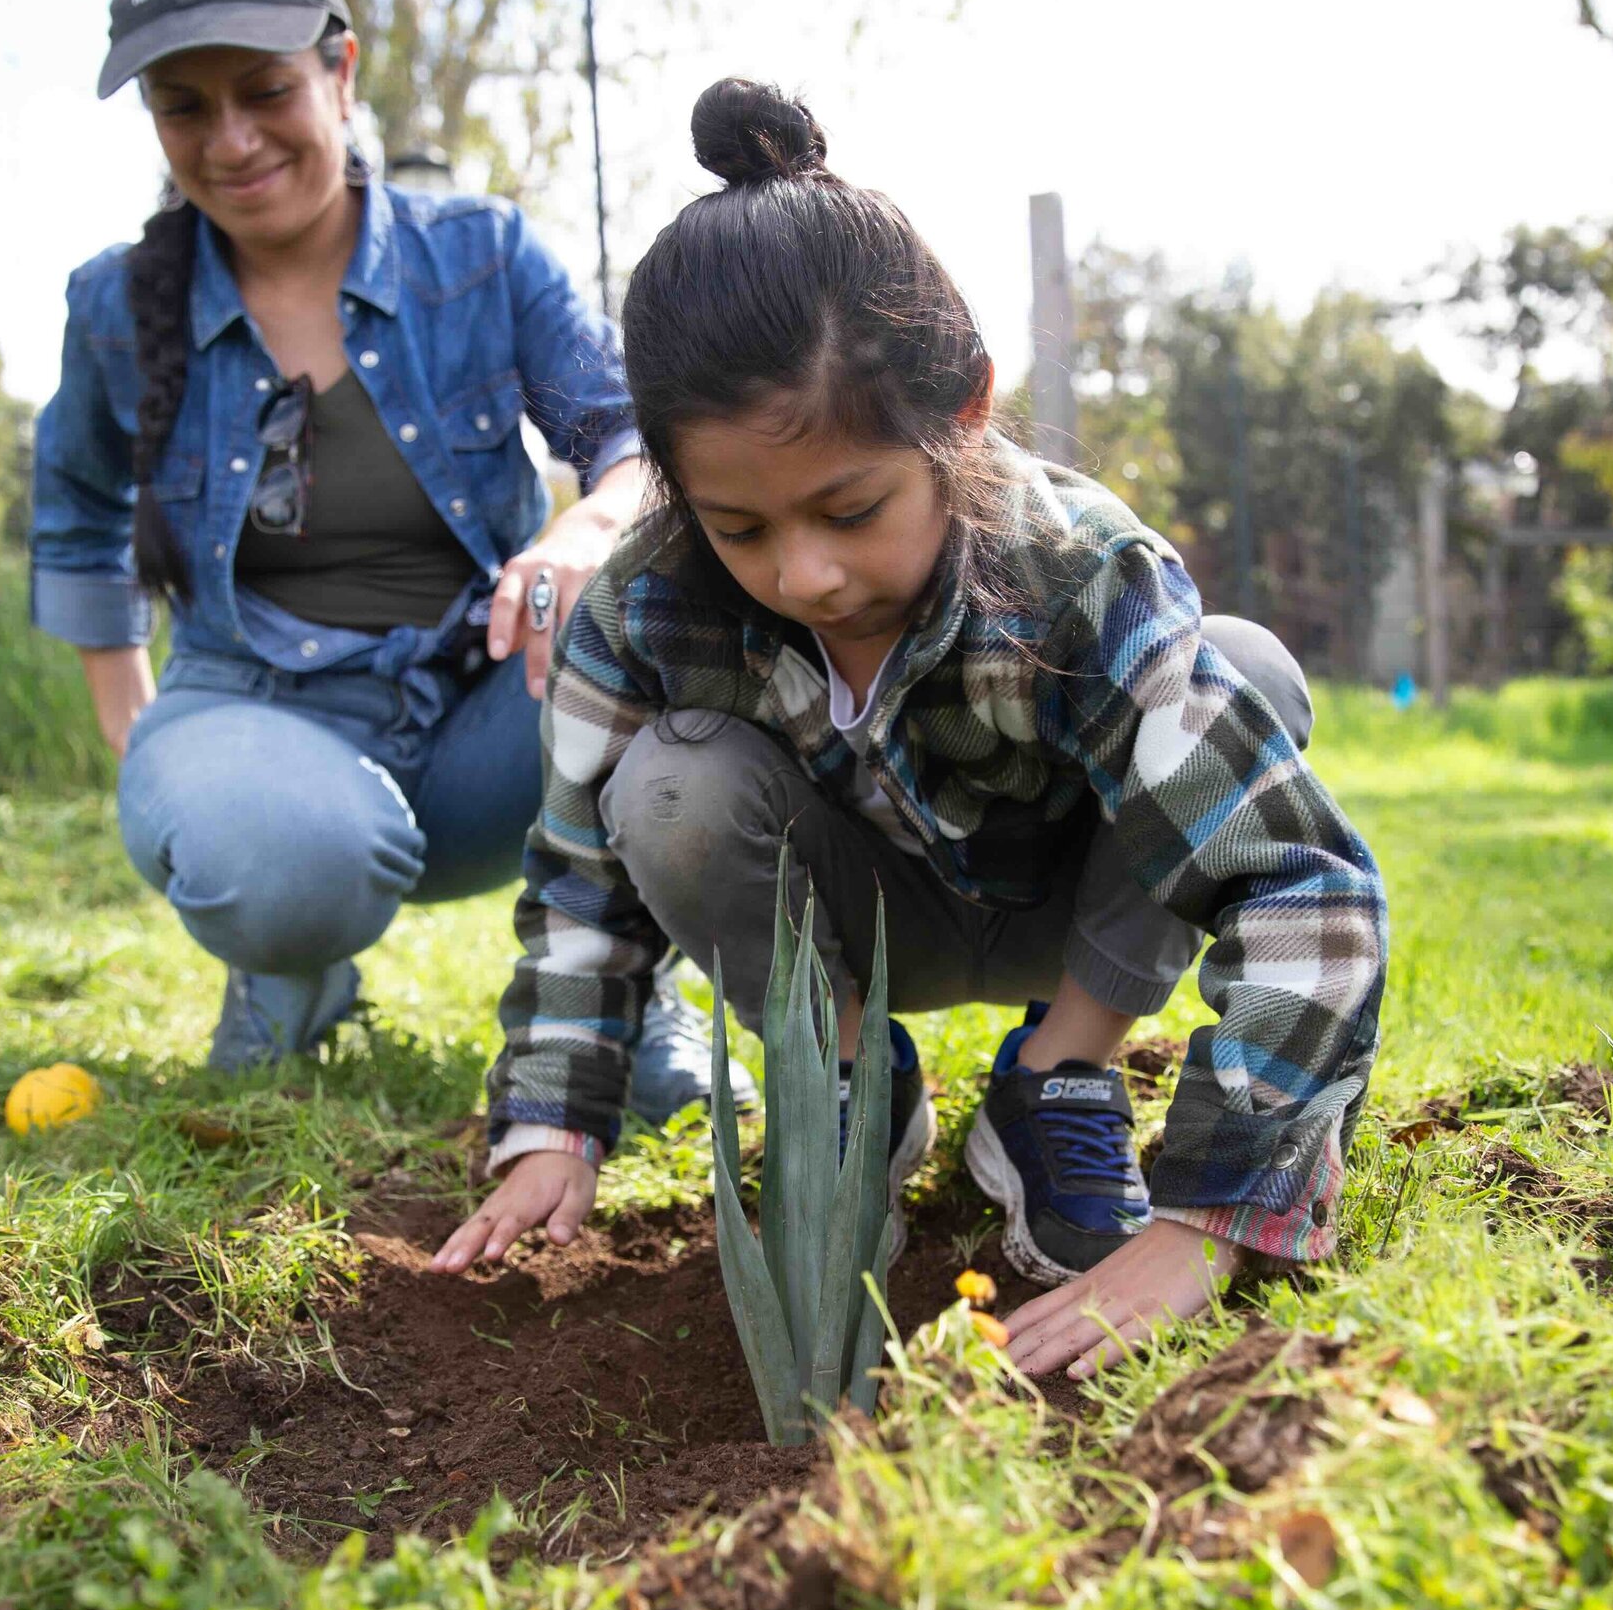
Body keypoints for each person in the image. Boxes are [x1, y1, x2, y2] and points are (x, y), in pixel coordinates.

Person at [432, 78, 1388, 1381]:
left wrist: (1210, 1219)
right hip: (852, 932)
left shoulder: (1077, 573)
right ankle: (850, 1094)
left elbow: (1299, 884)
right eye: (744, 527)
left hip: (1080, 912)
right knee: (661, 788)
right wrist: (550, 1122)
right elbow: (580, 892)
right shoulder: (645, 609)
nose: (807, 575)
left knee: (1242, 673)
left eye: (850, 508)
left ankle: (1055, 1080)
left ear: (968, 412)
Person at [30, 0, 726, 1112]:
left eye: (267, 92)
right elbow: (77, 503)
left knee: (674, 616)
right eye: (183, 109)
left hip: (480, 710)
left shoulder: (482, 256)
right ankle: (282, 963)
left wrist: (583, 527)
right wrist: (143, 733)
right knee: (280, 855)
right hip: (255, 714)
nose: (231, 141)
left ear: (339, 72)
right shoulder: (111, 306)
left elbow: (633, 435)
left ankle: (627, 985)